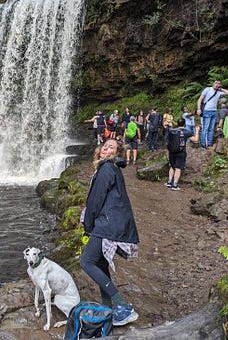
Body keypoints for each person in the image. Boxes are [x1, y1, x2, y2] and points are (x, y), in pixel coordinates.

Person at [80, 138, 139, 327]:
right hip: (112, 222)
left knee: (86, 261)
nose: (106, 148)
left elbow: (95, 201)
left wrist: (88, 226)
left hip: (107, 224)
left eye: (111, 147)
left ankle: (123, 306)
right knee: (100, 263)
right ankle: (107, 307)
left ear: (117, 153)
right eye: (105, 145)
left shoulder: (106, 168)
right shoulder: (112, 168)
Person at [164, 118, 200, 191]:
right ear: (185, 124)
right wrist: (197, 131)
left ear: (177, 123)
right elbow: (196, 140)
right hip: (181, 152)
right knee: (178, 168)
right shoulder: (187, 132)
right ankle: (175, 185)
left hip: (172, 152)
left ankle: (169, 181)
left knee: (172, 166)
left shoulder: (172, 130)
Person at [196, 80, 228, 149]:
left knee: (211, 129)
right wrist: (199, 109)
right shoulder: (207, 89)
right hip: (207, 111)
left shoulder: (218, 92)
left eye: (219, 84)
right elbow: (200, 99)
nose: (217, 84)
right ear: (213, 83)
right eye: (216, 83)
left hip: (214, 111)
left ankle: (209, 144)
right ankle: (203, 145)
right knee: (205, 128)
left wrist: (220, 89)